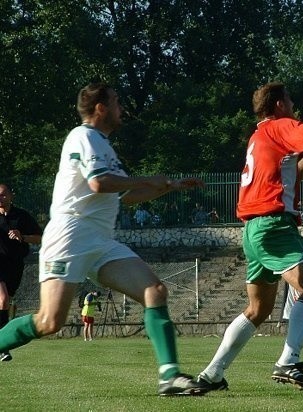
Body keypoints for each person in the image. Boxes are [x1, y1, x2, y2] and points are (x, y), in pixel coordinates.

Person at [0, 82, 209, 396]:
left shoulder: (104, 146)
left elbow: (124, 195)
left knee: (155, 290)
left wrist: (169, 185)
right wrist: (147, 179)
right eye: (116, 102)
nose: (121, 108)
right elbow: (99, 183)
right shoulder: (83, 136)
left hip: (99, 240)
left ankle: (170, 376)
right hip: (69, 237)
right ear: (100, 108)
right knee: (49, 321)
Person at [195, 82, 303, 393]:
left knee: (257, 309)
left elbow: (292, 173)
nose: (293, 106)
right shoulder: (279, 126)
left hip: (253, 229)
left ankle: (212, 374)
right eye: (290, 100)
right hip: (273, 224)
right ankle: (288, 361)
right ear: (279, 104)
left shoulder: (259, 136)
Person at [0, 183, 43, 362]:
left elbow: (40, 238)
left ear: (11, 196)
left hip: (15, 266)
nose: (0, 198)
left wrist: (22, 237)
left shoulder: (22, 216)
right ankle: (3, 347)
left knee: (5, 303)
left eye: (3, 194)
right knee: (3, 300)